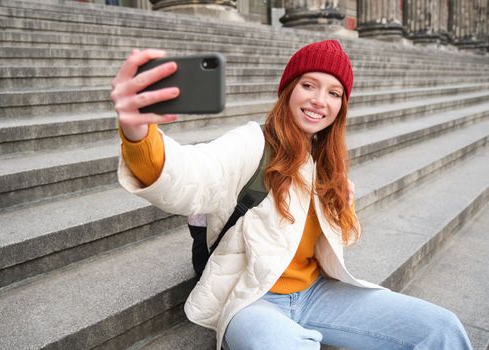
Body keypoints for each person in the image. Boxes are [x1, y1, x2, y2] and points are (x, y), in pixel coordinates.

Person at [112, 40, 472, 350]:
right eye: (309, 86)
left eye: (333, 93)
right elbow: (193, 175)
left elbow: (335, 241)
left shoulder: (326, 160)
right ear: (288, 89)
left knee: (441, 328)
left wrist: (342, 209)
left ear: (341, 106)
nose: (319, 101)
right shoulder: (253, 142)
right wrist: (138, 132)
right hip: (253, 299)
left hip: (318, 293)